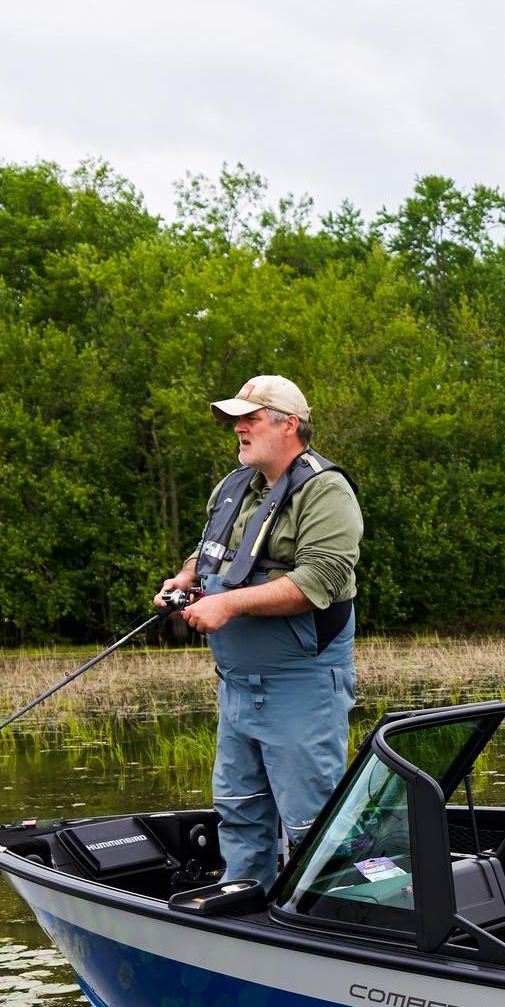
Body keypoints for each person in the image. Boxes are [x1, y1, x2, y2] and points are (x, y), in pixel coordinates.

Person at [165, 374, 367, 887]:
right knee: (239, 813)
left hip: (300, 687)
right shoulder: (234, 486)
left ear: (289, 424)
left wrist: (227, 605)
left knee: (314, 827)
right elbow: (215, 548)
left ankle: (334, 923)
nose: (238, 428)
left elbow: (318, 581)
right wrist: (187, 576)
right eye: (235, 420)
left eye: (249, 419)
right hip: (236, 689)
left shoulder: (326, 491)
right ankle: (247, 915)